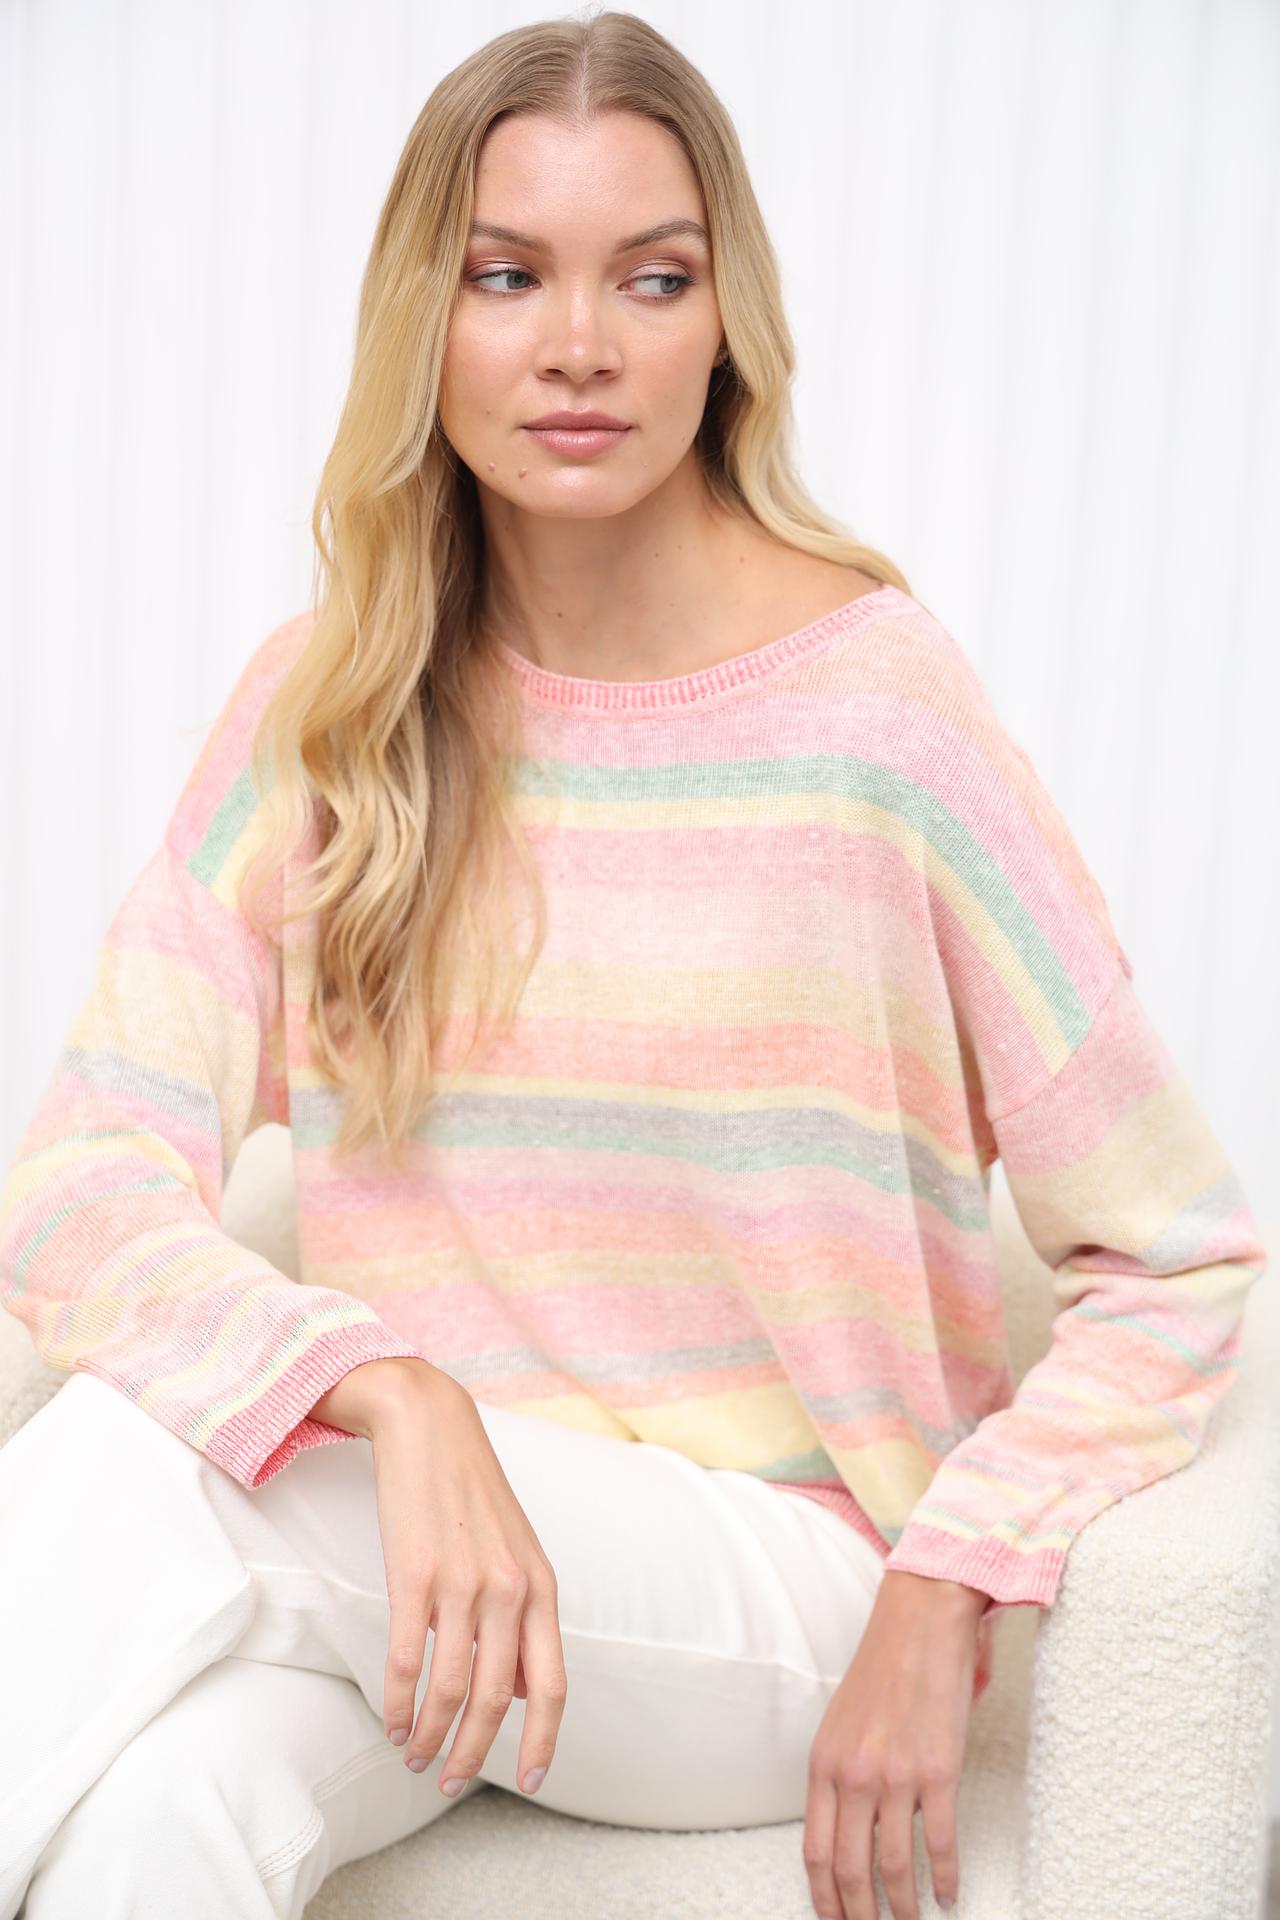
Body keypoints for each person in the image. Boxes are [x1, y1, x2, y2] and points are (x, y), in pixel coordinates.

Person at [0, 13, 1265, 1920]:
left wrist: (952, 1579)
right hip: (437, 1556)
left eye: (651, 279)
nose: (579, 343)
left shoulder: (876, 716)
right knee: (155, 1815)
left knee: (136, 1467)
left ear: (723, 323)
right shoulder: (331, 709)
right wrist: (391, 1390)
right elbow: (79, 1184)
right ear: (425, 321)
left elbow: (1177, 1254)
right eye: (507, 275)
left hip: (776, 1592)